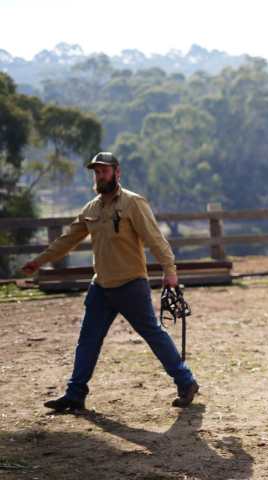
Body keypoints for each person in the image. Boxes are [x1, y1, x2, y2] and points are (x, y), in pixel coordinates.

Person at [21, 152, 199, 412]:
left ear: (117, 172)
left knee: (153, 334)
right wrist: (39, 261)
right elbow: (68, 239)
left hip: (131, 284)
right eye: (96, 172)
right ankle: (75, 394)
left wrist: (169, 270)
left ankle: (186, 381)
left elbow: (155, 238)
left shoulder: (133, 203)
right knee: (88, 339)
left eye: (104, 171)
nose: (99, 176)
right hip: (101, 286)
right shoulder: (91, 208)